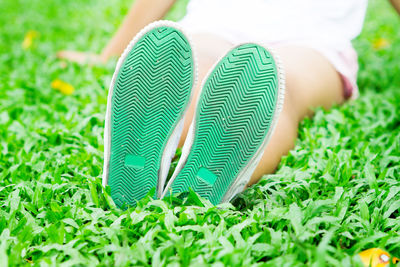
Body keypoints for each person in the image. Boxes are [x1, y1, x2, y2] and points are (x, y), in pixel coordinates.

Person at [58, 0, 400, 207]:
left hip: (218, 24)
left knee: (199, 69)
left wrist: (110, 52)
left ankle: (142, 157)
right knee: (284, 90)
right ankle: (211, 178)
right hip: (313, 44)